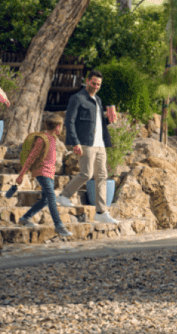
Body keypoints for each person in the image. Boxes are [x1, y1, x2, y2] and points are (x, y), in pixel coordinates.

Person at [56, 70, 119, 223]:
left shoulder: (97, 100)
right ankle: (64, 195)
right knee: (86, 174)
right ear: (87, 81)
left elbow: (99, 123)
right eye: (94, 83)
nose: (96, 86)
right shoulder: (77, 98)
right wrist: (75, 142)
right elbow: (69, 121)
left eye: (99, 84)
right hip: (85, 143)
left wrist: (110, 120)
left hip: (100, 144)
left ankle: (101, 212)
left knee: (102, 176)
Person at [15, 114, 72, 237]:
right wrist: (22, 174)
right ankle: (59, 225)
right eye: (61, 126)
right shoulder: (42, 139)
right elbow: (32, 156)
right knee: (51, 196)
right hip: (41, 172)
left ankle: (25, 218)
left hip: (50, 173)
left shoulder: (53, 139)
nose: (62, 129)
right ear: (57, 127)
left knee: (46, 199)